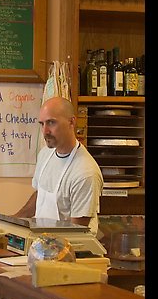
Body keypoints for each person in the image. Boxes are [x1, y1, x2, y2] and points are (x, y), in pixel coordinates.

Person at [14, 96, 103, 235]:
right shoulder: (45, 155)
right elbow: (39, 196)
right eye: (42, 124)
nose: (45, 131)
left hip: (74, 252)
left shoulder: (85, 173)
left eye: (51, 123)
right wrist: (12, 222)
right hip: (45, 243)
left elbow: (77, 234)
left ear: (72, 122)